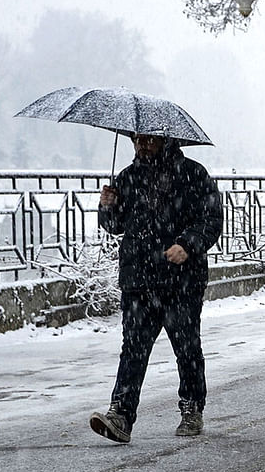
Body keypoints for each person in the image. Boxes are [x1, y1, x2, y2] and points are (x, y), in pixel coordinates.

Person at [89, 132, 223, 444]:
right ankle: (120, 414)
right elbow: (114, 226)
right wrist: (107, 206)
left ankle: (191, 408)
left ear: (165, 141)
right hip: (138, 279)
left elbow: (212, 219)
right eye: (137, 140)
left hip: (182, 280)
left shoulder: (193, 174)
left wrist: (187, 245)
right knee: (133, 349)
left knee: (187, 347)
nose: (141, 145)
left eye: (149, 140)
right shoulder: (127, 177)